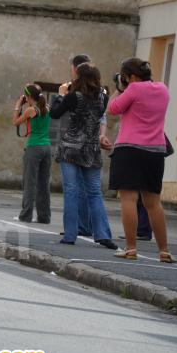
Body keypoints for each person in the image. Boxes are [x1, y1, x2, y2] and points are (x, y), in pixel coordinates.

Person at [107, 58, 175, 263]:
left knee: (129, 199)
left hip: (129, 148)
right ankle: (164, 250)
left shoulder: (133, 89)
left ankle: (130, 248)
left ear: (131, 76)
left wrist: (120, 87)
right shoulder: (163, 89)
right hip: (155, 151)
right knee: (153, 202)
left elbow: (112, 108)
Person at [50, 63, 116, 249]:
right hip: (91, 149)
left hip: (70, 148)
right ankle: (103, 235)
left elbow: (55, 114)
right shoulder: (103, 97)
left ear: (78, 78)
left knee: (71, 191)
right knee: (94, 192)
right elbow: (98, 115)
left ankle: (70, 235)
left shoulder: (73, 97)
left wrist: (60, 95)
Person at [12, 84, 51, 224]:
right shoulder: (47, 108)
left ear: (28, 97)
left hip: (34, 147)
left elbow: (15, 122)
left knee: (30, 182)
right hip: (47, 147)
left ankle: (25, 215)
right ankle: (44, 217)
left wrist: (18, 105)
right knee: (43, 183)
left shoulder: (30, 110)